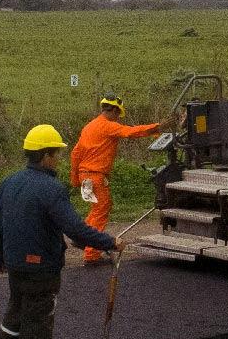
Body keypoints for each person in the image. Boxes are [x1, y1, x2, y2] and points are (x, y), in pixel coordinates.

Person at [0, 124, 121, 339]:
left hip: (15, 263)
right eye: (57, 153)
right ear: (46, 155)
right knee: (38, 321)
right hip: (42, 268)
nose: (59, 158)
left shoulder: (9, 182)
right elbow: (74, 227)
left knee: (16, 310)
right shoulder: (51, 188)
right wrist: (110, 242)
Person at [69, 93, 160, 266]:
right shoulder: (108, 126)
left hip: (85, 174)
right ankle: (92, 255)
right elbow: (132, 132)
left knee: (98, 209)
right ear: (114, 110)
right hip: (96, 175)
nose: (118, 118)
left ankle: (82, 238)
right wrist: (157, 127)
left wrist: (75, 178)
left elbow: (75, 153)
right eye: (118, 114)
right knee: (101, 210)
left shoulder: (89, 127)